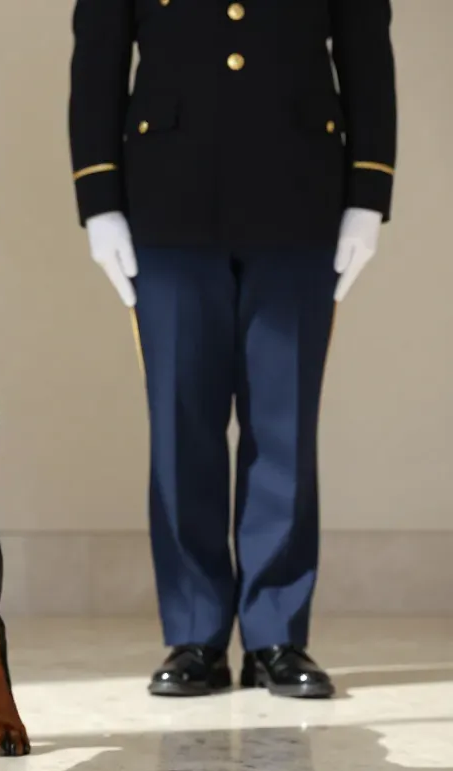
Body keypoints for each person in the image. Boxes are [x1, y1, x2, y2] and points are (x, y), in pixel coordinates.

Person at [68, 0, 396, 698]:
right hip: (168, 202)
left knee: (283, 429)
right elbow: (98, 57)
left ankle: (277, 634)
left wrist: (369, 191)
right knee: (182, 430)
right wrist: (99, 199)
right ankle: (196, 634)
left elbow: (366, 50)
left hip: (302, 197)